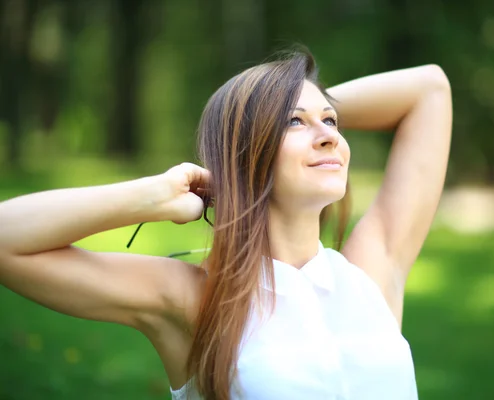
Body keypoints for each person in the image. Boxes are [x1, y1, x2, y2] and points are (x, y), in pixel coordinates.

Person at [0, 49, 452, 400]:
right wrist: (150, 196)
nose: (331, 134)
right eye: (295, 122)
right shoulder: (194, 301)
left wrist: (284, 104)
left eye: (331, 121)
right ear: (248, 150)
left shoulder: (367, 276)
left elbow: (430, 88)